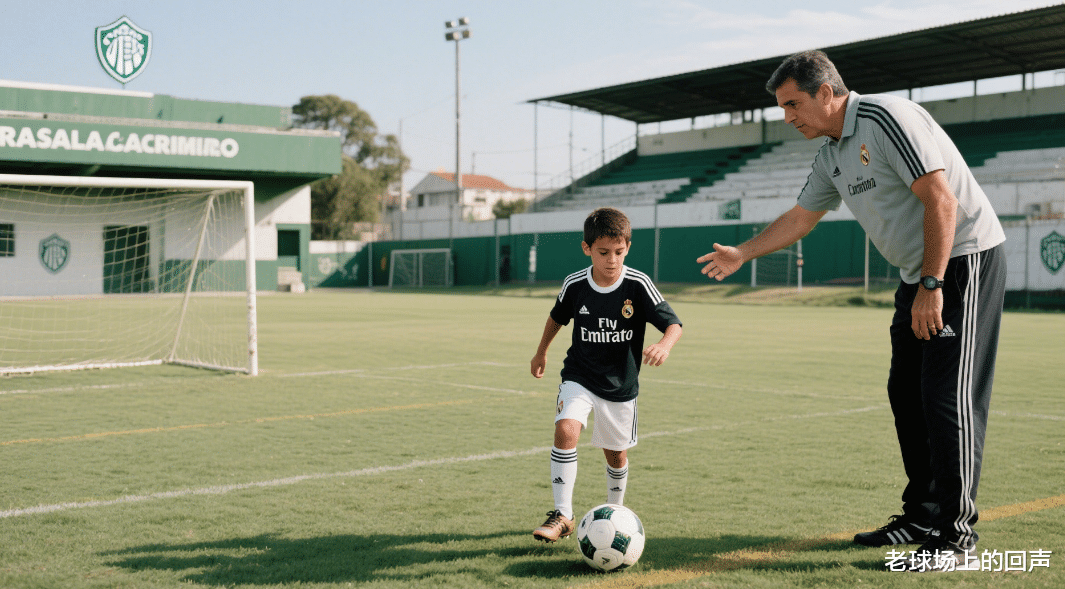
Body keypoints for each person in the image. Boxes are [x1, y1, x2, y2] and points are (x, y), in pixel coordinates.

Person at [697, 50, 1006, 570]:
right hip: (919, 275)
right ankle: (922, 516)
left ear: (826, 92)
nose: (788, 117)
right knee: (905, 393)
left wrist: (933, 284)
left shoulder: (887, 118)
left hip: (962, 260)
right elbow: (800, 217)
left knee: (946, 397)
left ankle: (957, 538)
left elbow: (941, 201)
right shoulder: (831, 155)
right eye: (781, 107)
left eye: (793, 104)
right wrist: (743, 253)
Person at [529, 207, 683, 542]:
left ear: (627, 247)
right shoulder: (575, 284)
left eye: (618, 252)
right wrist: (541, 351)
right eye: (603, 253)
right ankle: (563, 514)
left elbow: (673, 323)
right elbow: (556, 317)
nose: (611, 260)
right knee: (566, 429)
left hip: (620, 385)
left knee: (616, 455)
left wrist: (665, 345)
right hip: (579, 375)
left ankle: (616, 513)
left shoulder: (638, 284)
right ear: (587, 249)